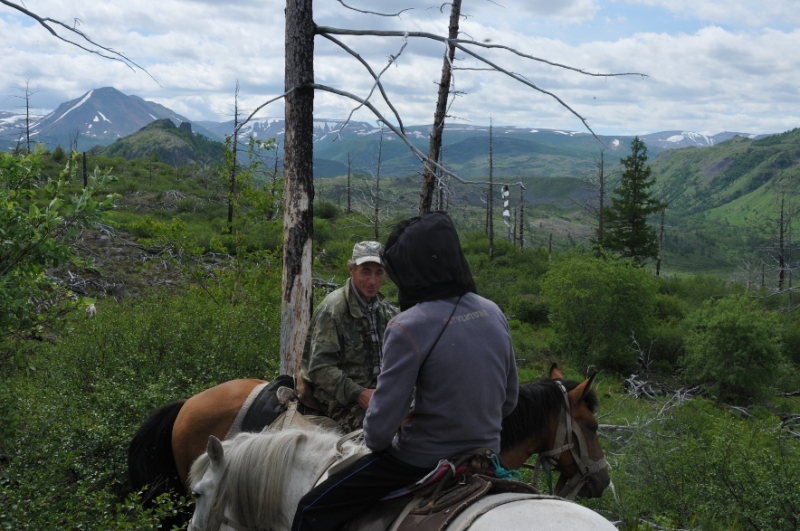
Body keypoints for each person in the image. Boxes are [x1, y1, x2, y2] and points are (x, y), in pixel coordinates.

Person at [291, 211, 519, 531]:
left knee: (311, 508)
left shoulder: (407, 325)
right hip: (485, 454)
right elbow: (508, 401)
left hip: (420, 460)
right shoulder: (493, 311)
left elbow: (380, 432)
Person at [298, 241, 398, 433]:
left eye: (379, 272)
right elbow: (320, 368)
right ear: (351, 269)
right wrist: (359, 393)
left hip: (377, 393)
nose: (372, 281)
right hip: (339, 399)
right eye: (366, 271)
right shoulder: (334, 310)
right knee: (383, 433)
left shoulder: (383, 310)